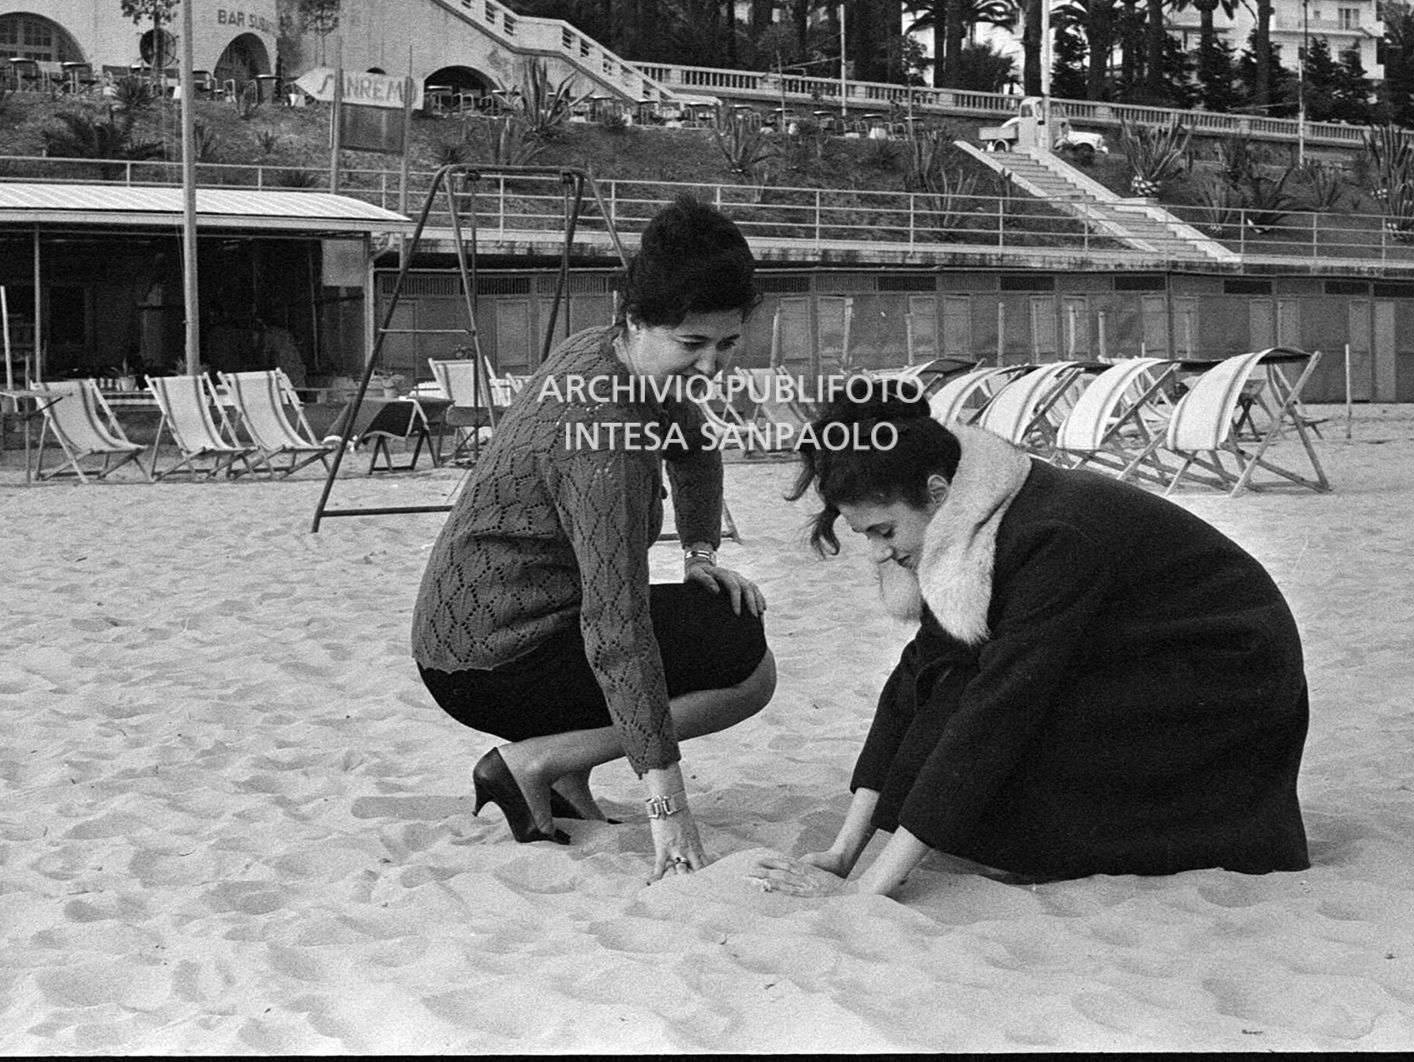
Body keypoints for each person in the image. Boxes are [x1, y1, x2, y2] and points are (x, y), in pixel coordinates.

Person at [750, 382, 1310, 901]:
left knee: (993, 760)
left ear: (938, 492)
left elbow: (1000, 708)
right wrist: (842, 856)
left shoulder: (1050, 537)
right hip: (1137, 653)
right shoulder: (972, 515)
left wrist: (871, 890)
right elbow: (917, 677)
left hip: (1228, 682)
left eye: (884, 531)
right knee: (955, 696)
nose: (877, 553)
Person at [412, 197, 775, 881]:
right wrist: (668, 809)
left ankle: (563, 777)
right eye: (692, 344)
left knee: (725, 618)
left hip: (482, 634)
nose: (711, 367)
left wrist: (700, 555)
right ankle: (534, 763)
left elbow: (697, 450)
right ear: (638, 321)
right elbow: (616, 626)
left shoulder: (606, 351)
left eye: (727, 344)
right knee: (748, 672)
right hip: (490, 664)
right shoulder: (605, 439)